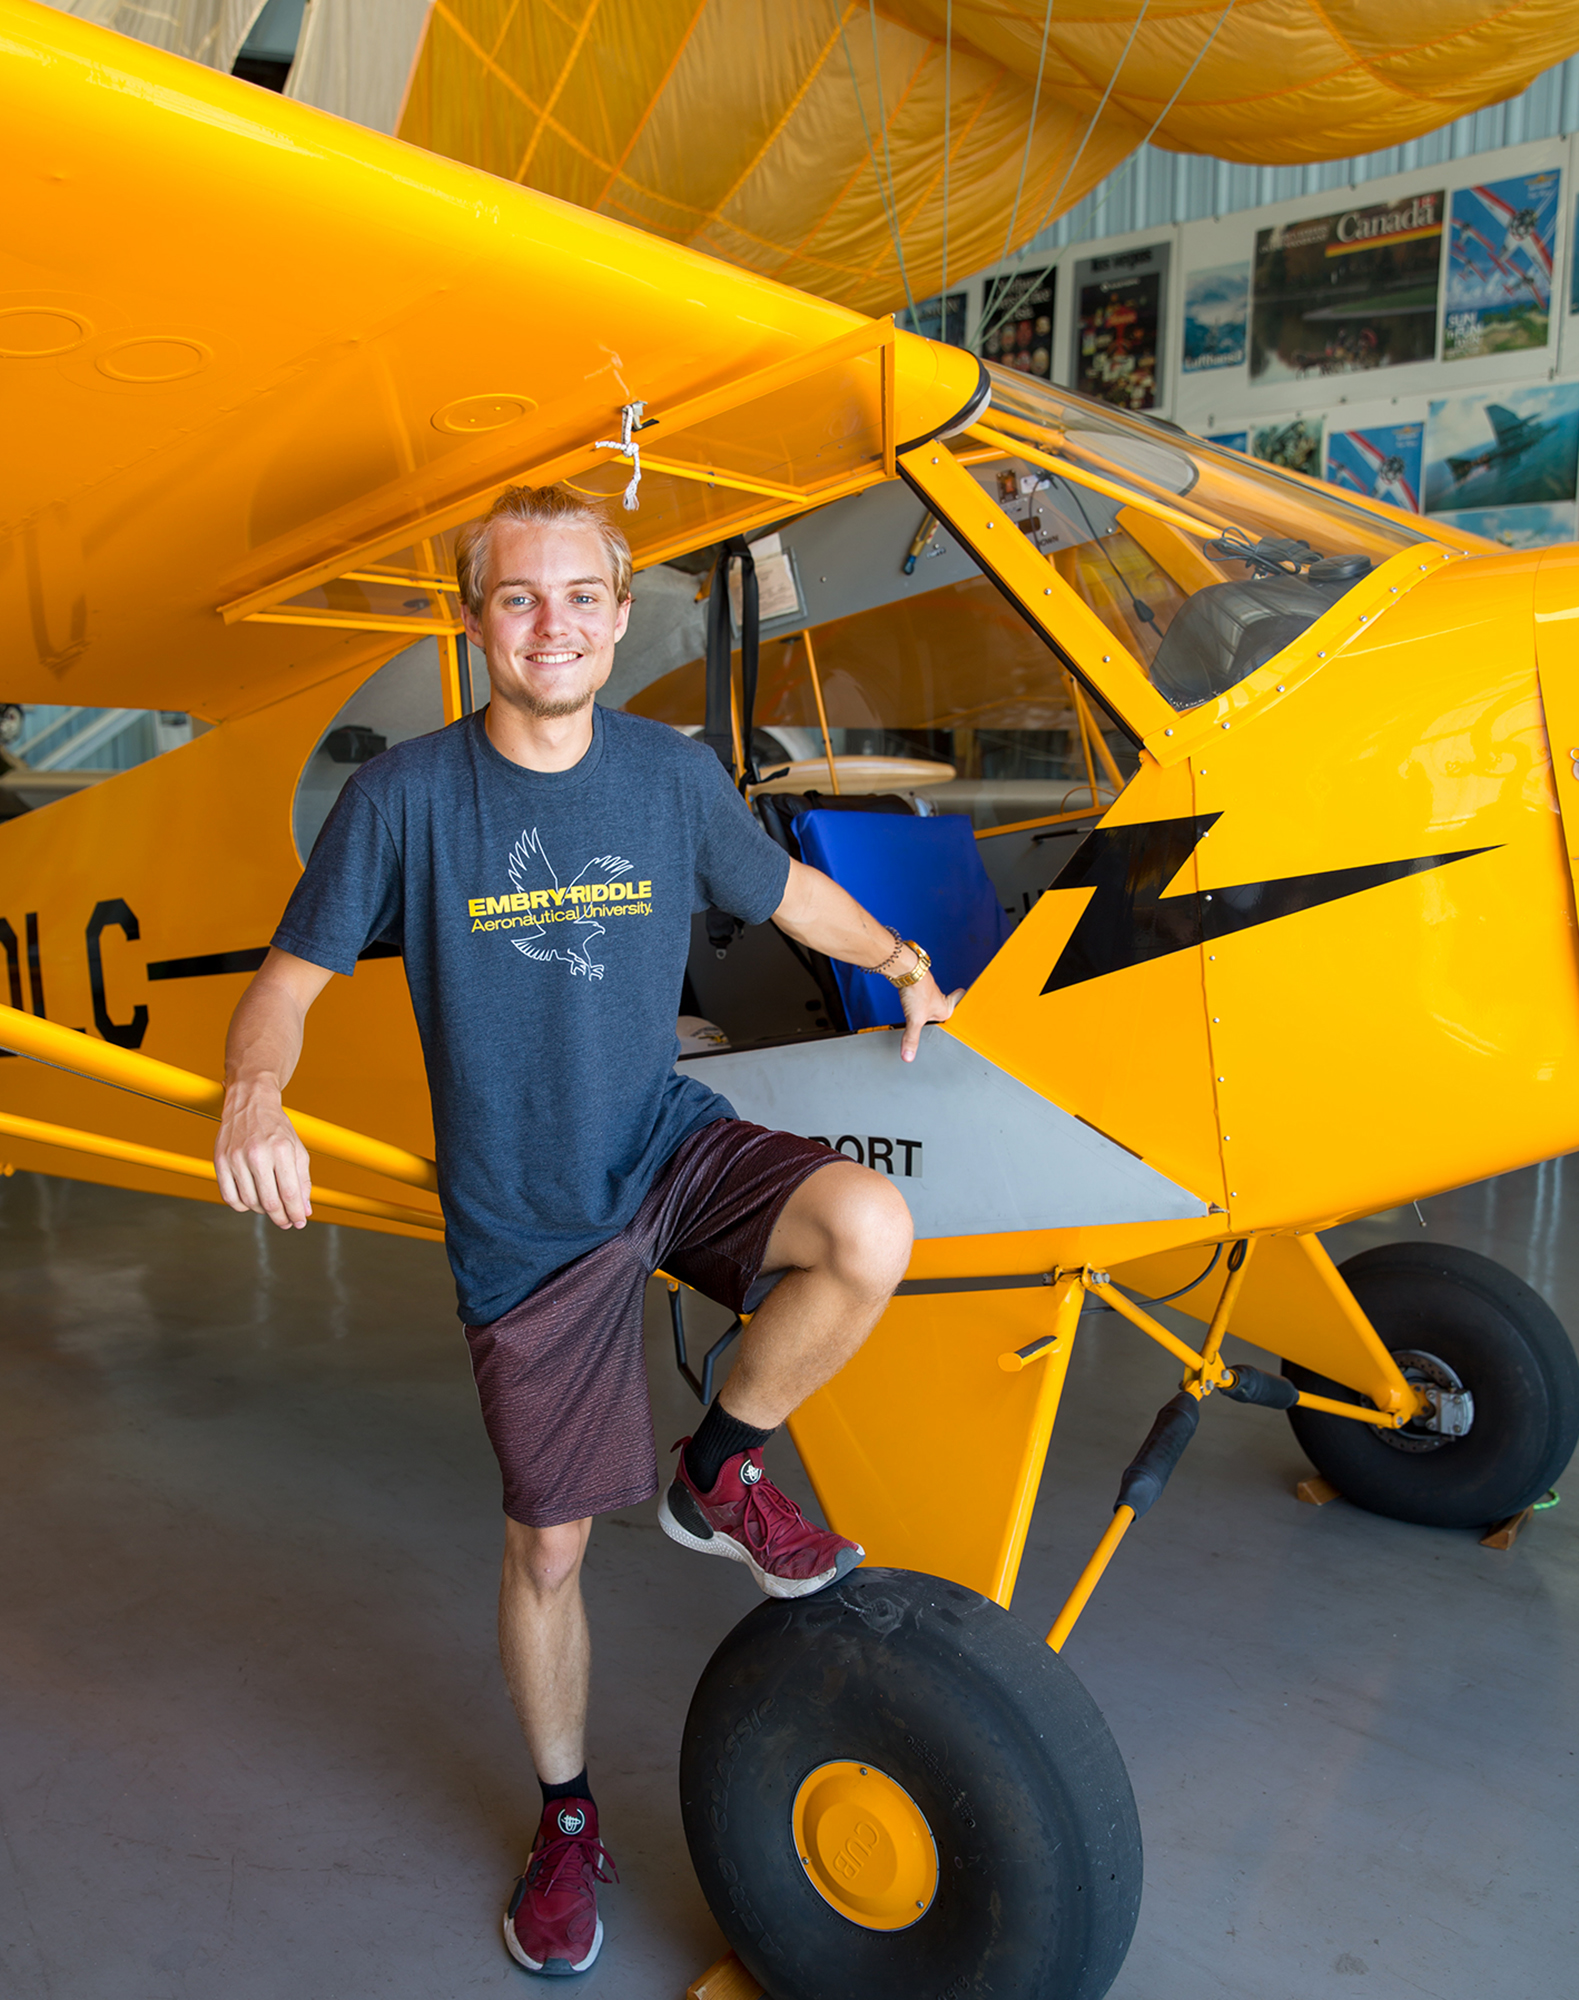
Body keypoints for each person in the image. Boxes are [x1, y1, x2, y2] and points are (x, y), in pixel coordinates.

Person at [213, 484, 960, 1980]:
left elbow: (785, 888)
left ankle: (719, 1460)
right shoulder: (406, 798)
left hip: (659, 1144)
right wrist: (252, 1093)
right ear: (475, 620)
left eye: (578, 598)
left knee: (868, 1226)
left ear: (621, 619)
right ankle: (567, 1820)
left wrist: (899, 958)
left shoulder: (669, 779)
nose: (549, 623)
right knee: (549, 1546)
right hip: (524, 1216)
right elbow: (290, 983)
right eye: (515, 598)